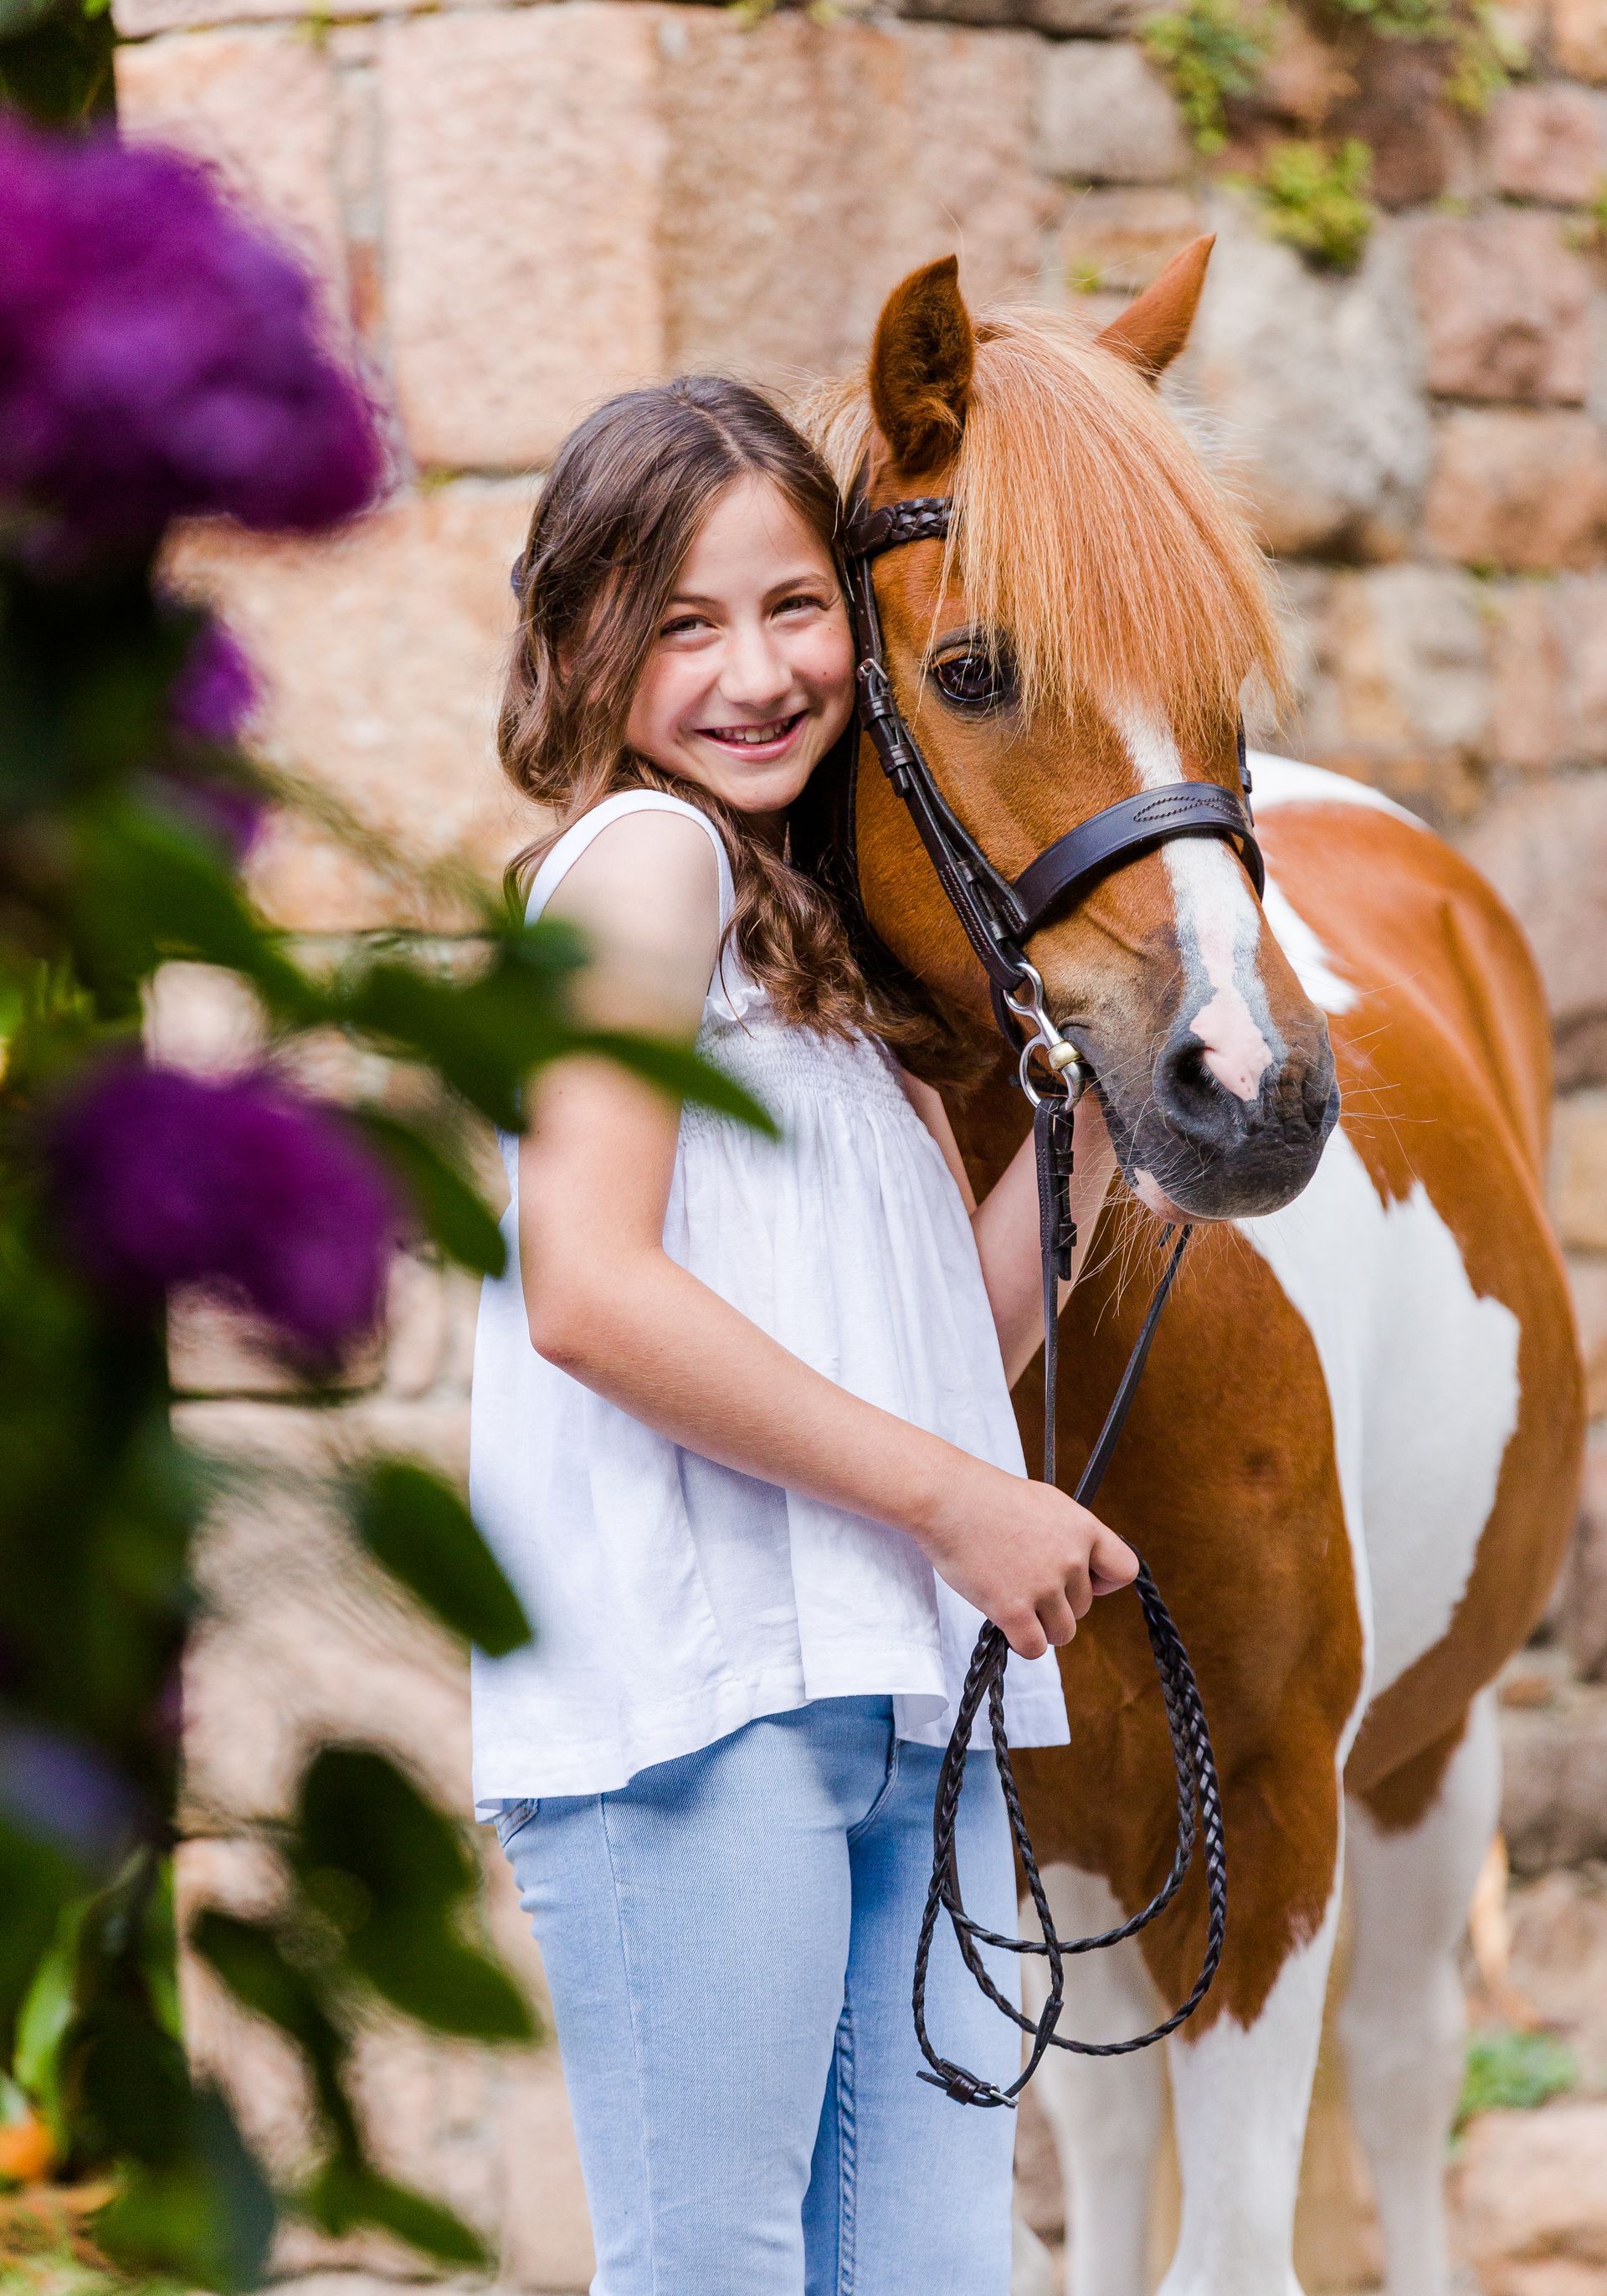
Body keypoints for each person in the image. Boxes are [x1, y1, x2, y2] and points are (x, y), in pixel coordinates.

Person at [470, 374, 1137, 2296]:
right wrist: (962, 1508)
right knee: (718, 2268)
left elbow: (951, 1331)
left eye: (790, 606)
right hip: (703, 1701)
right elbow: (590, 1287)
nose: (754, 672)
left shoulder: (819, 964)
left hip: (896, 1691)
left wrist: (1108, 1094)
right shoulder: (640, 870)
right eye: (680, 622)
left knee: (936, 2274)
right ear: (584, 639)